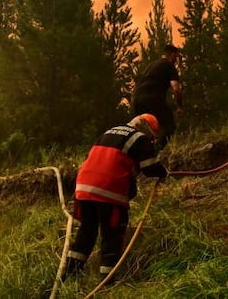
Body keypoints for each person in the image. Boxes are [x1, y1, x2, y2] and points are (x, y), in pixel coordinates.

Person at [63, 114, 168, 281]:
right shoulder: (139, 138)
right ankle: (108, 281)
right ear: (148, 130)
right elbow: (150, 168)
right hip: (108, 190)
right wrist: (164, 173)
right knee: (112, 234)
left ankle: (69, 274)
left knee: (86, 231)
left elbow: (109, 162)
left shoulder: (108, 133)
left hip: (83, 188)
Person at [130, 44, 183, 146]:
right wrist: (180, 106)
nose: (176, 60)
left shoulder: (151, 65)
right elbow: (176, 89)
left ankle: (141, 154)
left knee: (143, 130)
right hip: (151, 99)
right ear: (173, 55)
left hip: (136, 99)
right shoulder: (169, 65)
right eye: (176, 57)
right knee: (169, 126)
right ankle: (159, 152)